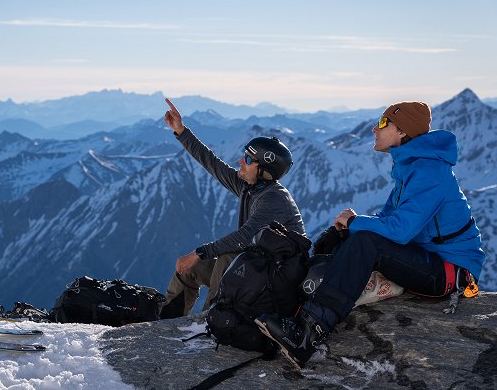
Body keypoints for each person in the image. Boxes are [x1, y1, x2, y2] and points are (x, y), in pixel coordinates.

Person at [256, 101, 485, 368]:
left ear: (402, 132)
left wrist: (357, 223)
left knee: (365, 239)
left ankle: (307, 333)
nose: (375, 129)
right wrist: (352, 225)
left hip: (452, 272)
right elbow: (390, 219)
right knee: (346, 236)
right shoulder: (412, 167)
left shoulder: (429, 172)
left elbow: (400, 230)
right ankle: (296, 309)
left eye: (383, 123)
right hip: (427, 258)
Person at [159, 98, 306, 318]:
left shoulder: (274, 199)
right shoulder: (251, 187)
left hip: (276, 282)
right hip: (253, 273)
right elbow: (212, 163)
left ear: (263, 169)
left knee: (229, 257)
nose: (240, 160)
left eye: (248, 159)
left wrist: (199, 252)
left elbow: (244, 237)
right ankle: (166, 321)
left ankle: (212, 319)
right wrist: (181, 131)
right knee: (191, 269)